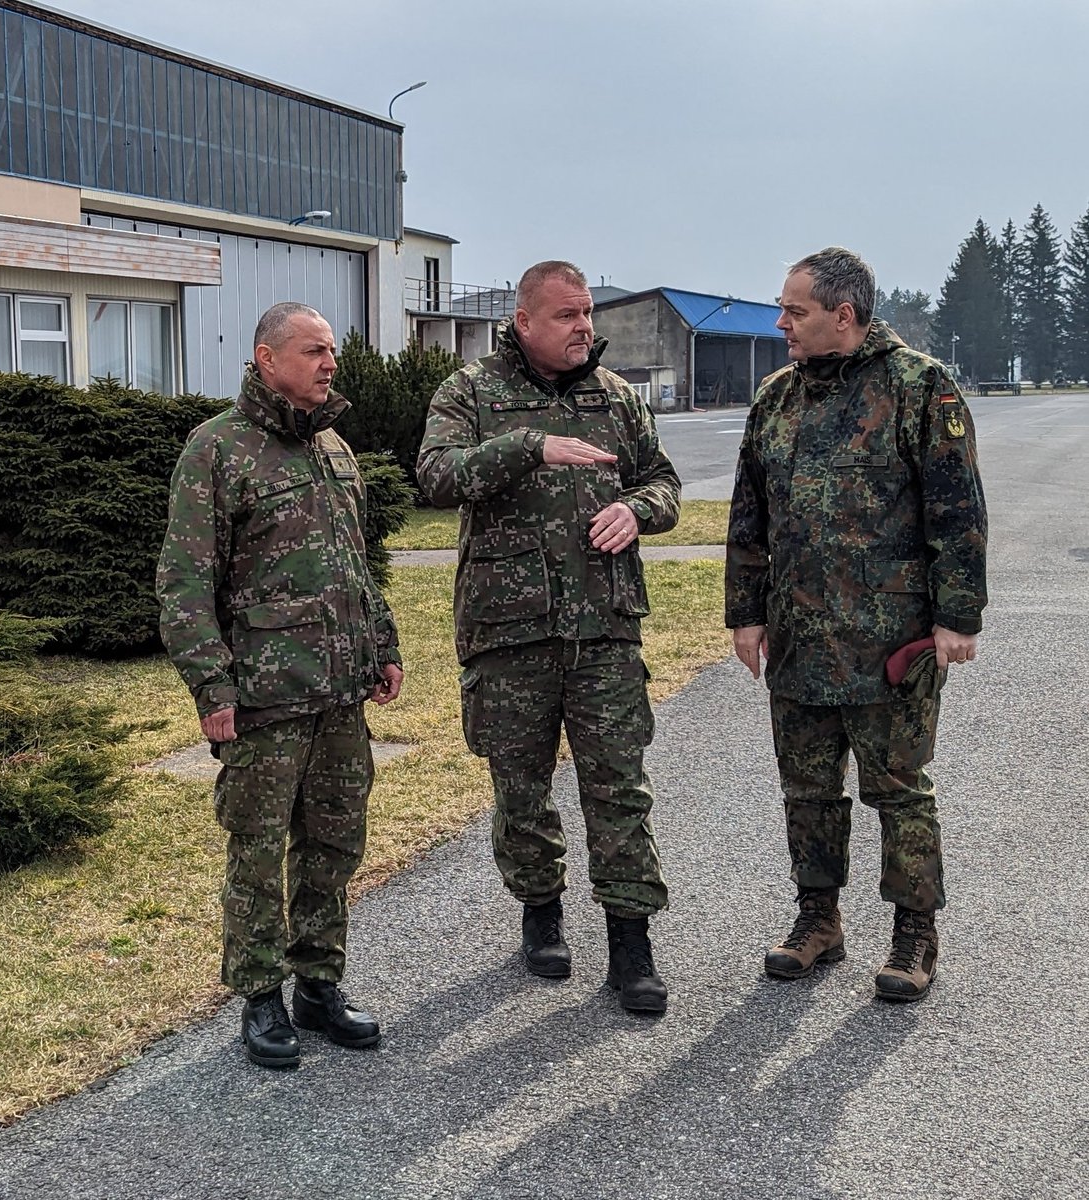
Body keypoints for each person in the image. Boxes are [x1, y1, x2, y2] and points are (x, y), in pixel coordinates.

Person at [416, 260, 681, 1014]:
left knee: (619, 787)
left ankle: (632, 942)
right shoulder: (469, 392)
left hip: (604, 627)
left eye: (588, 312)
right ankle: (541, 916)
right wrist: (526, 446)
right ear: (524, 321)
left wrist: (639, 511)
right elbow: (435, 477)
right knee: (521, 788)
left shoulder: (617, 397)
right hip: (509, 630)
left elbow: (661, 481)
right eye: (567, 315)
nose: (584, 328)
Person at [725, 247, 987, 1002]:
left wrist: (957, 616)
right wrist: (745, 614)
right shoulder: (776, 400)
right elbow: (750, 519)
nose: (781, 323)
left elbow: (957, 510)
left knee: (898, 790)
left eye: (794, 311)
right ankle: (818, 919)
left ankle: (915, 932)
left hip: (890, 644)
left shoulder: (919, 388)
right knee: (806, 789)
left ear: (844, 315)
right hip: (800, 639)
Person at [156, 302, 404, 1067]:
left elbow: (355, 561)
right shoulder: (217, 450)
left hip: (338, 692)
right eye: (312, 350)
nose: (330, 362)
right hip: (265, 699)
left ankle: (318, 987)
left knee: (334, 844)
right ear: (267, 359)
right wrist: (213, 688)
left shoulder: (334, 447)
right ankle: (260, 999)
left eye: (332, 349)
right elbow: (184, 582)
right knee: (258, 854)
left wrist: (383, 644)